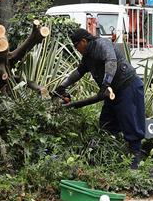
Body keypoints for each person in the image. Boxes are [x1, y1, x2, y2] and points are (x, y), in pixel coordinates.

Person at [55, 28, 147, 169]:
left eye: (76, 45)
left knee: (131, 121)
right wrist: (62, 86)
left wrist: (105, 83)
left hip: (128, 86)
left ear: (84, 41)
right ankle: (115, 154)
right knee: (106, 123)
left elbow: (111, 62)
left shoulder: (102, 44)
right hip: (111, 91)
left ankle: (135, 159)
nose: (76, 49)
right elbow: (78, 73)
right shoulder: (87, 57)